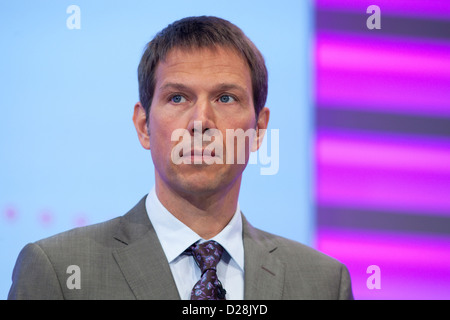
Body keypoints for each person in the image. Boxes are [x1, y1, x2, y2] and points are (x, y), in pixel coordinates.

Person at [8, 16, 353, 300]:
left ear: (259, 129)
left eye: (225, 98)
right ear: (144, 125)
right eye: (177, 98)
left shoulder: (322, 283)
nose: (201, 122)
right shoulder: (58, 270)